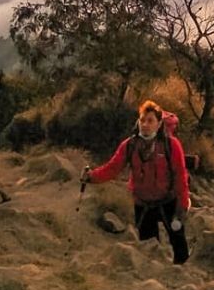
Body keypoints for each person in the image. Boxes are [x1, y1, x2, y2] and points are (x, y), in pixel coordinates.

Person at [81, 99, 191, 265]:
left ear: (159, 123)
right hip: (143, 204)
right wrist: (91, 177)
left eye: (150, 121)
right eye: (142, 120)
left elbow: (180, 177)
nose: (145, 124)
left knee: (179, 246)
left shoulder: (171, 145)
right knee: (149, 250)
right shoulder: (130, 146)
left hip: (169, 202)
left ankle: (183, 278)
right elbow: (112, 168)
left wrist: (182, 206)